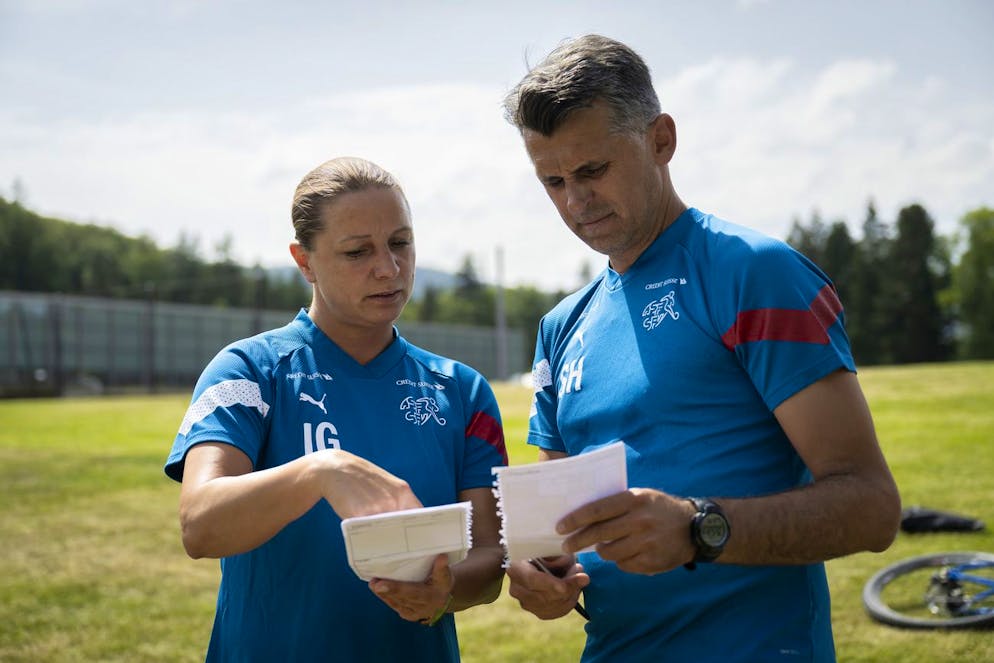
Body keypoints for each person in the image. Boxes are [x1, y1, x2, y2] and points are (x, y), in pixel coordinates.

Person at [501, 35, 901, 662]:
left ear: (661, 140)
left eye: (592, 170)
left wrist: (698, 529)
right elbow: (557, 532)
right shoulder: (561, 325)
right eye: (552, 180)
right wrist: (538, 571)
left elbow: (871, 507)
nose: (575, 201)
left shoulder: (753, 273)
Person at [164, 157, 508, 662]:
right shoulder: (248, 370)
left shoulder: (462, 390)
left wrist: (445, 589)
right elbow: (200, 524)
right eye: (357, 252)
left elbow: (489, 558)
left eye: (400, 243)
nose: (388, 268)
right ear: (304, 261)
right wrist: (322, 472)